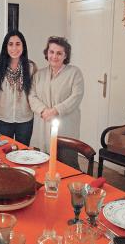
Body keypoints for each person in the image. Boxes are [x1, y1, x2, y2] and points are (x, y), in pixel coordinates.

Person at [29, 36, 84, 168]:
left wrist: (56, 110)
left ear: (65, 55)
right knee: (43, 164)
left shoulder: (74, 73)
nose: (54, 56)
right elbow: (31, 96)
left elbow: (76, 97)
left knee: (68, 166)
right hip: (43, 126)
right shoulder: (39, 75)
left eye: (59, 53)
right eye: (51, 52)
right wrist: (43, 110)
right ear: (47, 53)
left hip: (66, 128)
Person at [0, 30, 36, 146]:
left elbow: (36, 93)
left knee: (22, 152)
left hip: (25, 119)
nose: (14, 48)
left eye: (18, 44)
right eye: (10, 44)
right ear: (6, 46)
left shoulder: (31, 67)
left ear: (23, 46)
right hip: (2, 118)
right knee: (4, 152)